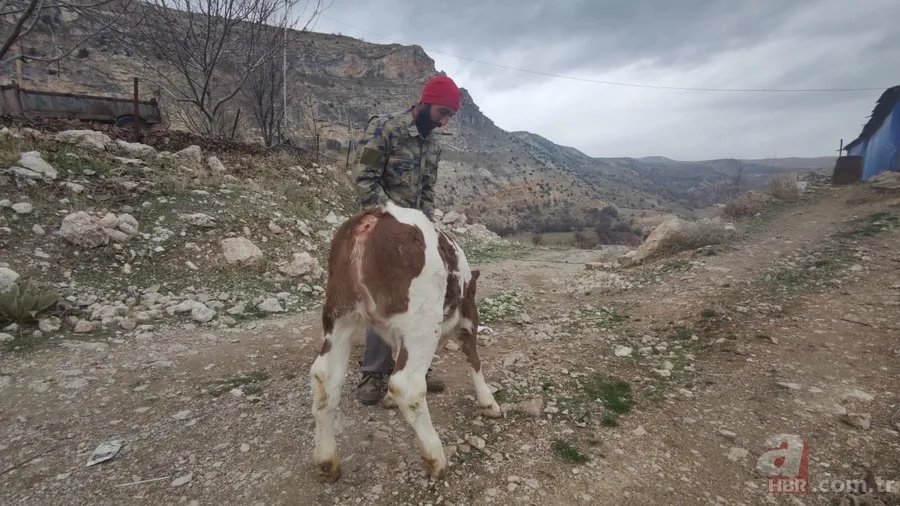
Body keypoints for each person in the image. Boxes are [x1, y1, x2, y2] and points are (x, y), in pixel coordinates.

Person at [352, 74, 462, 406]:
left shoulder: (434, 145)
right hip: (383, 228)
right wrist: (391, 223)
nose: (444, 122)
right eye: (442, 113)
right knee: (384, 299)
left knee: (424, 300)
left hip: (417, 234)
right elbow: (363, 179)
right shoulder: (386, 129)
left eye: (450, 117)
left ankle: (417, 367)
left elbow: (428, 191)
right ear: (425, 102)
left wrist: (426, 228)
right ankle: (374, 373)